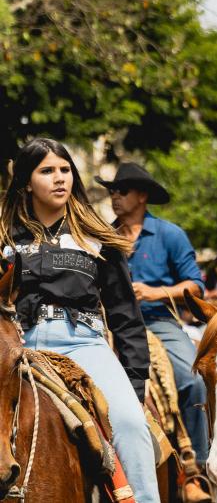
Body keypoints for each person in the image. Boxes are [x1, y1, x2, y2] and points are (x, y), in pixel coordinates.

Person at [0, 138, 160, 502]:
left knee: (133, 426)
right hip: (17, 348)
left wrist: (134, 386)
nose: (60, 179)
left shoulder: (98, 239)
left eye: (65, 170)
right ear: (26, 182)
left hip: (83, 345)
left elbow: (126, 319)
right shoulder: (4, 239)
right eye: (47, 171)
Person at [96, 163, 210, 477]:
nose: (115, 197)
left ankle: (196, 468)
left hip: (158, 322)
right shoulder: (101, 237)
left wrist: (155, 292)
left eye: (122, 191)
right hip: (109, 326)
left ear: (142, 195)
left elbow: (195, 286)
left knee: (193, 382)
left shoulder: (170, 235)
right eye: (111, 191)